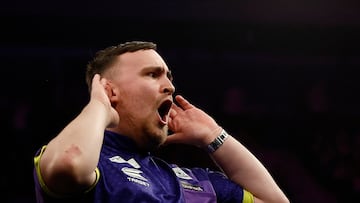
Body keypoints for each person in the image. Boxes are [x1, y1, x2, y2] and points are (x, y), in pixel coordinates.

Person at [33, 41, 290, 203]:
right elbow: (69, 163)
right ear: (111, 91)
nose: (169, 86)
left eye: (168, 76)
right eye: (152, 75)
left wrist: (214, 135)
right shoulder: (93, 165)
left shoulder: (189, 179)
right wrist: (99, 106)